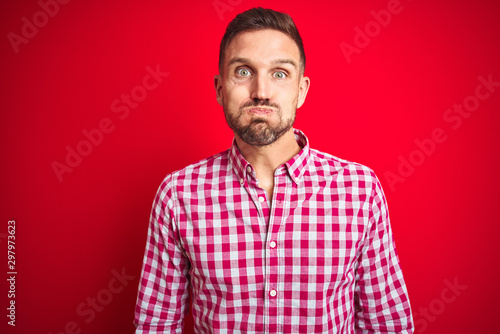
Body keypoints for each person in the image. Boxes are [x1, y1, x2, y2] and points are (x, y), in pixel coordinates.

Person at [134, 7, 413, 333]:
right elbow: (156, 325)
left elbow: (386, 325)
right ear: (220, 89)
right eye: (243, 72)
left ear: (301, 90)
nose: (261, 91)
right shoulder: (178, 195)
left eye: (280, 73)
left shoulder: (360, 190)